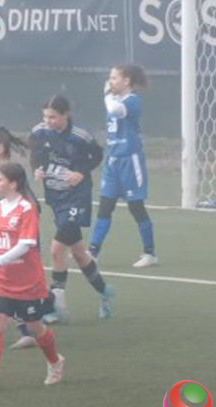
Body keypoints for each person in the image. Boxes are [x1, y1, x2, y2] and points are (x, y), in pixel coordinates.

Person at [0, 162, 65, 392]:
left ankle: (55, 361)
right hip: (1, 279)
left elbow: (25, 245)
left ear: (13, 184)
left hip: (27, 281)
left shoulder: (26, 208)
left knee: (34, 327)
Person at [31, 95, 115, 321]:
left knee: (57, 249)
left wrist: (81, 172)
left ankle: (55, 305)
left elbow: (97, 155)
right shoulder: (39, 132)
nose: (48, 121)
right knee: (79, 253)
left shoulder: (80, 136)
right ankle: (104, 292)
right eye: (45, 116)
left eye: (53, 117)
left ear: (66, 114)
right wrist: (36, 168)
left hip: (77, 198)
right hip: (56, 198)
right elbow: (35, 153)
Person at [89, 65, 157, 268]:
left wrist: (107, 94)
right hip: (113, 161)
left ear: (126, 81)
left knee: (136, 207)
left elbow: (115, 110)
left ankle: (150, 253)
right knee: (105, 207)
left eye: (114, 77)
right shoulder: (114, 100)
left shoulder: (132, 100)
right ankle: (93, 252)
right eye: (110, 77)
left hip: (130, 161)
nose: (110, 81)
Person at [0, 128, 37, 350]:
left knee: (19, 287)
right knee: (6, 286)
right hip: (4, 241)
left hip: (21, 240)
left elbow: (31, 205)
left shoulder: (12, 174)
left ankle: (34, 326)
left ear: (0, 149)